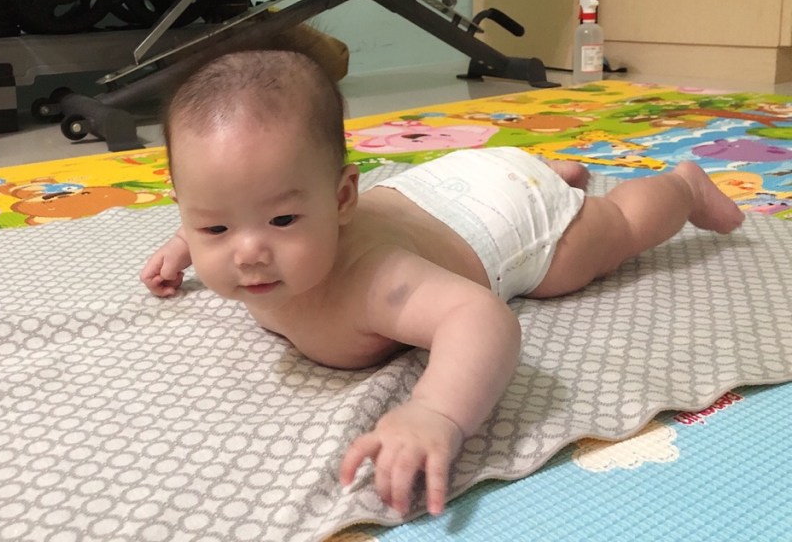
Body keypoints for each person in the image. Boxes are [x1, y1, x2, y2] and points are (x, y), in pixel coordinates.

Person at [140, 49, 745, 517]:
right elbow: (232, 211)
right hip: (444, 184)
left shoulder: (374, 281)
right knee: (233, 218)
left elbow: (480, 317)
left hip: (507, 217)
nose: (247, 254)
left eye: (282, 221)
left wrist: (435, 412)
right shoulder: (249, 238)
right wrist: (184, 247)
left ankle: (680, 186)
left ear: (343, 198)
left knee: (606, 238)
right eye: (214, 226)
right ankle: (552, 170)